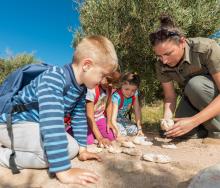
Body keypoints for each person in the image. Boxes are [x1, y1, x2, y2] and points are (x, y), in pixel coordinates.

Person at [0, 35, 118, 185]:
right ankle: (3, 156)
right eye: (103, 75)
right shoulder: (55, 77)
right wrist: (63, 171)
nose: (102, 81)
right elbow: (51, 122)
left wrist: (83, 149)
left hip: (33, 126)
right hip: (11, 124)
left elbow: (79, 118)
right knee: (52, 156)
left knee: (72, 148)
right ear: (87, 65)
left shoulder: (81, 89)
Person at [149, 14, 220, 139]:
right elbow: (170, 97)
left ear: (182, 42)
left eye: (168, 54)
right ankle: (206, 126)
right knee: (176, 131)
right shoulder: (161, 64)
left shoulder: (207, 48)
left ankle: (216, 132)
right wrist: (167, 119)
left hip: (208, 93)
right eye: (159, 56)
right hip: (192, 98)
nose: (164, 61)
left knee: (195, 85)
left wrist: (194, 121)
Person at [86, 71, 120, 147]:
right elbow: (89, 116)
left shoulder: (109, 88)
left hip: (98, 118)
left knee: (112, 136)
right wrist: (100, 138)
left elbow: (109, 104)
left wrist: (109, 121)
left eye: (113, 82)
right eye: (109, 80)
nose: (111, 84)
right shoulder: (91, 90)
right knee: (89, 141)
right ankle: (69, 130)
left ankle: (94, 132)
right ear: (101, 74)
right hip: (86, 119)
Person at [111, 72, 144, 137]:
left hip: (121, 119)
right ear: (121, 85)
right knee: (122, 133)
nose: (129, 92)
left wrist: (140, 128)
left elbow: (137, 110)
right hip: (111, 119)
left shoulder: (135, 94)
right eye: (126, 89)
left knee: (135, 130)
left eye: (133, 90)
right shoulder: (116, 96)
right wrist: (118, 132)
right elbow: (112, 119)